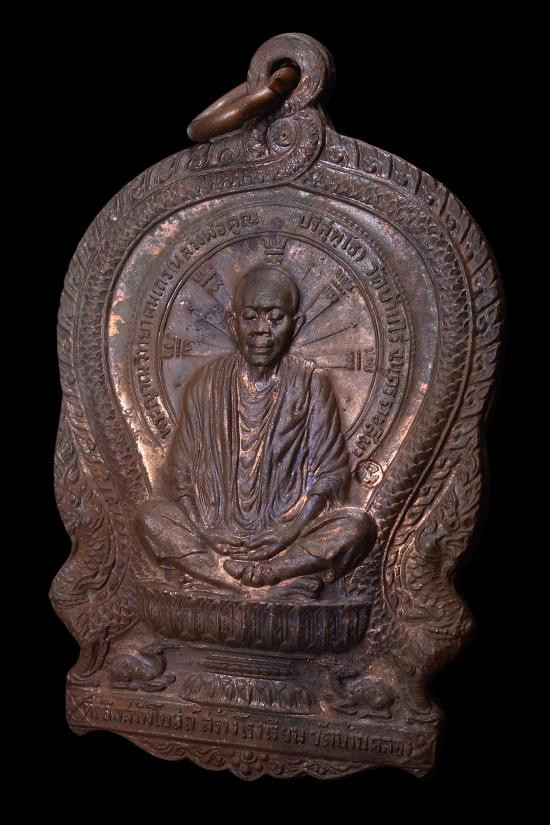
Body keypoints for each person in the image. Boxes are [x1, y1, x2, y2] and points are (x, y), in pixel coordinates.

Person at [134, 264, 376, 599]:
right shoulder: (206, 384)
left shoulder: (311, 383)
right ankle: (226, 577)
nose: (262, 330)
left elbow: (330, 474)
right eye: (250, 317)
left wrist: (290, 531)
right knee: (149, 516)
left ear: (296, 325)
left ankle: (268, 573)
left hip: (288, 532)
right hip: (213, 530)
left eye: (275, 318)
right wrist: (204, 528)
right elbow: (180, 473)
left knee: (356, 526)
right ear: (232, 322)